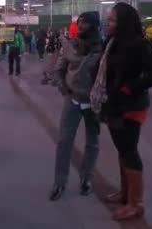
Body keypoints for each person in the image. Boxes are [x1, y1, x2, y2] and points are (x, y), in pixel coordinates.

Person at [90, 3, 152, 222]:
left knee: (129, 151)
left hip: (131, 106)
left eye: (113, 20)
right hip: (113, 105)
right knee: (122, 150)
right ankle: (125, 193)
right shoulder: (113, 42)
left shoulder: (138, 44)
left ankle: (136, 203)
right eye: (109, 19)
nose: (108, 23)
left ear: (123, 23)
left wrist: (130, 87)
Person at [49, 12, 103, 201]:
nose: (81, 26)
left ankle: (86, 179)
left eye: (86, 23)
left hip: (93, 103)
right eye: (79, 22)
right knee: (64, 141)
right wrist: (64, 89)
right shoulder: (70, 45)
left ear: (95, 26)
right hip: (72, 100)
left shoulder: (101, 48)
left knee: (93, 143)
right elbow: (58, 70)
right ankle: (59, 182)